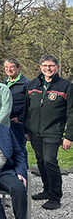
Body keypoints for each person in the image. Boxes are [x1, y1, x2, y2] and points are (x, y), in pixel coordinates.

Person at [25, 54, 73, 210]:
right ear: (40, 67)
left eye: (51, 65)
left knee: (49, 160)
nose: (48, 68)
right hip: (34, 131)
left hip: (53, 130)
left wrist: (69, 136)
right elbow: (27, 109)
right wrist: (26, 129)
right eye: (45, 65)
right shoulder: (32, 84)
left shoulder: (66, 86)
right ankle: (47, 189)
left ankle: (55, 196)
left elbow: (71, 113)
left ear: (57, 67)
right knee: (40, 160)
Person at [4, 58, 29, 149]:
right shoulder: (4, 83)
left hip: (18, 122)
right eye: (6, 67)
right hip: (6, 121)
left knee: (19, 148)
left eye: (12, 67)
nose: (9, 69)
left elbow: (30, 105)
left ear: (18, 68)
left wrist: (21, 118)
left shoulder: (26, 84)